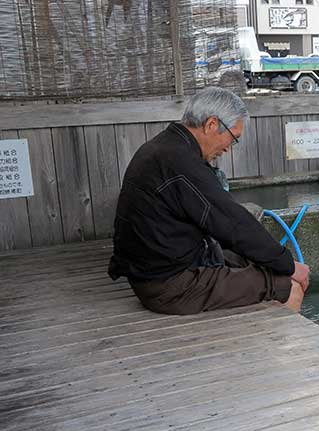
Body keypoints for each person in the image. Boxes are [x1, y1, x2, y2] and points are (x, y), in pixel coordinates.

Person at [108, 87, 308, 315]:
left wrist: (276, 261)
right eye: (233, 139)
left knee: (260, 263)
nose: (227, 149)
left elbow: (224, 223)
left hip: (155, 272)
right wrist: (290, 266)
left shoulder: (163, 148)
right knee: (287, 284)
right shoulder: (180, 162)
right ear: (212, 124)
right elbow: (233, 223)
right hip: (168, 286)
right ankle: (286, 349)